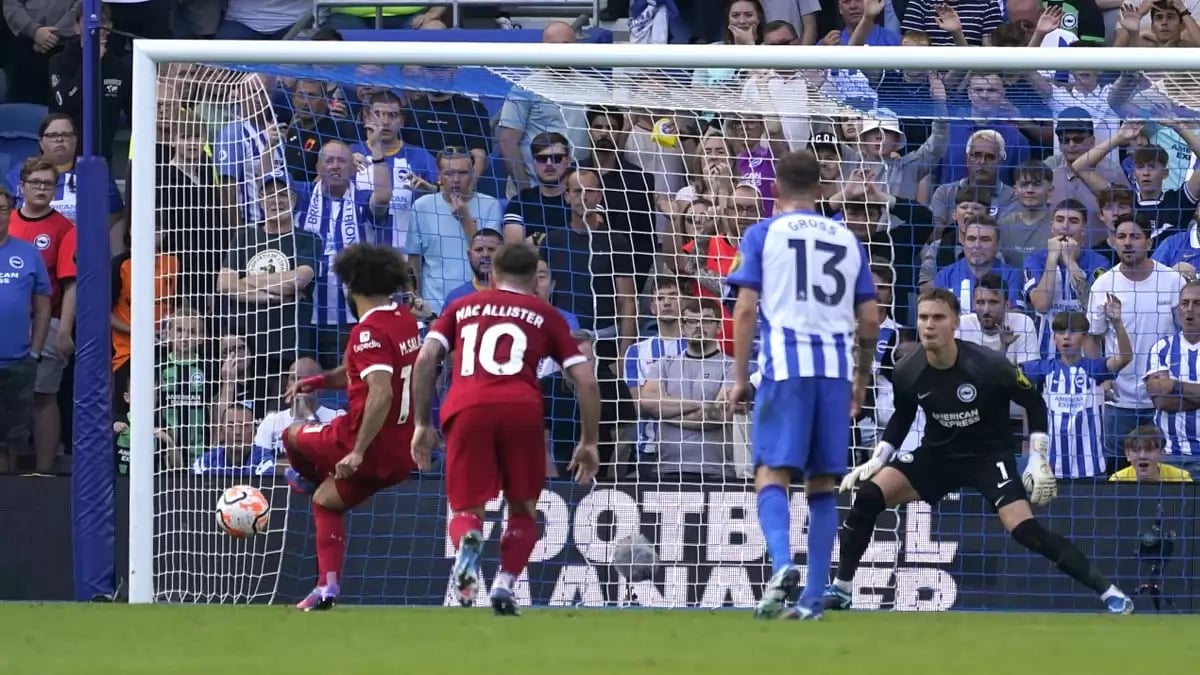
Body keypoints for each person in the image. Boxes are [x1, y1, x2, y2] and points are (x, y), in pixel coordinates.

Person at [829, 288, 1134, 615]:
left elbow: (1034, 402)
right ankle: (843, 589)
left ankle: (1109, 592)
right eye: (923, 318)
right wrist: (879, 457)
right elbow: (903, 417)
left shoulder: (989, 365)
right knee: (869, 496)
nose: (929, 326)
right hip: (937, 456)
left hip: (989, 457)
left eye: (938, 318)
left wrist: (1037, 457)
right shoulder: (907, 369)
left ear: (956, 323)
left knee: (1026, 532)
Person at [726, 148, 880, 621]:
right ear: (820, 189)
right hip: (835, 372)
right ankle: (813, 598)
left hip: (785, 368)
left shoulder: (762, 234)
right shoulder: (848, 239)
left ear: (774, 189)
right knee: (823, 485)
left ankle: (780, 564)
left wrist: (738, 377)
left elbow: (746, 308)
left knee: (771, 471)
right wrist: (861, 376)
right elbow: (870, 319)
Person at [410, 243, 601, 616]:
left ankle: (468, 542)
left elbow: (426, 357)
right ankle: (504, 583)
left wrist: (421, 423)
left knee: (467, 507)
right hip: (521, 409)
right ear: (534, 279)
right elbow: (586, 381)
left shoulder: (461, 307)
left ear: (493, 274)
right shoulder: (546, 314)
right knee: (523, 508)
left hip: (466, 407)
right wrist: (589, 441)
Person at [279, 243, 423, 612]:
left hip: (362, 443)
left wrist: (356, 451)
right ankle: (327, 588)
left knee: (290, 434)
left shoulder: (368, 331)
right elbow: (360, 373)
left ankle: (307, 475)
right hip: (400, 452)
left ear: (352, 287)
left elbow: (380, 392)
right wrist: (315, 383)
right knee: (325, 503)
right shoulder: (402, 317)